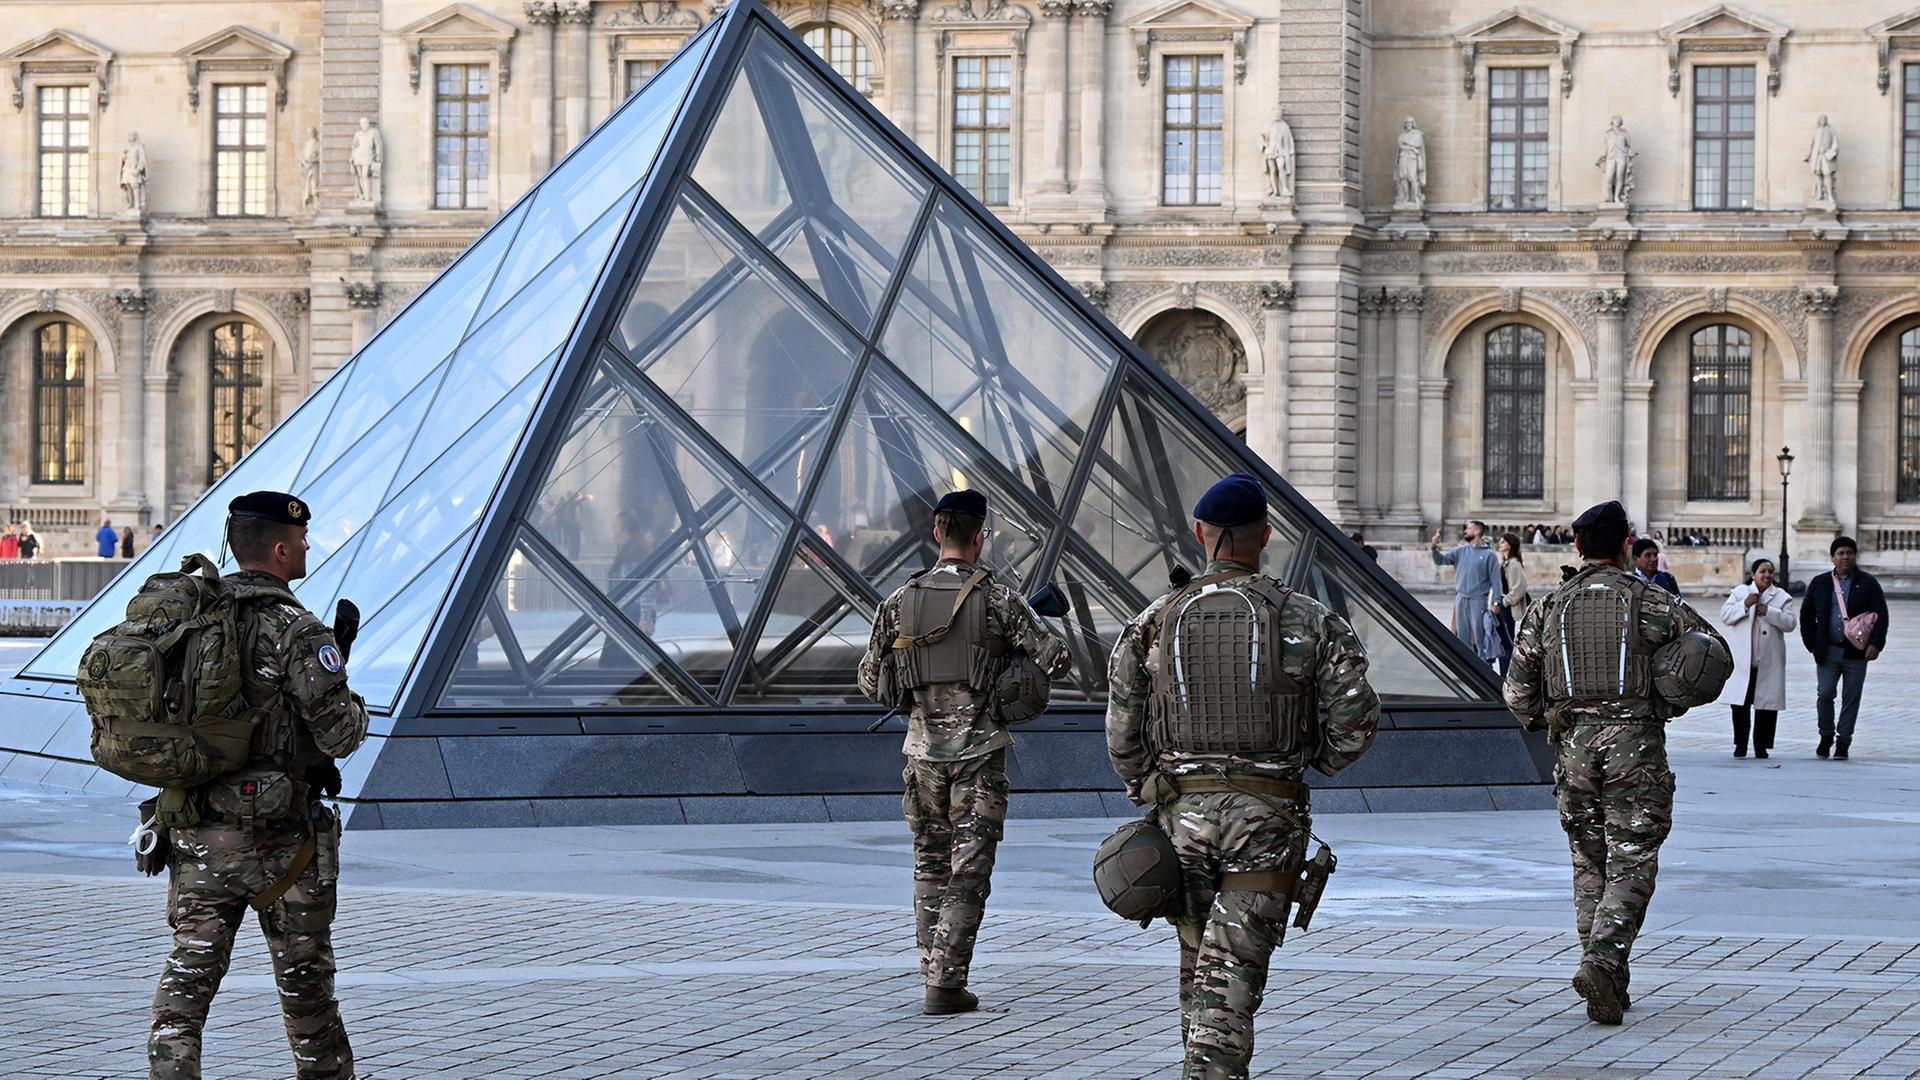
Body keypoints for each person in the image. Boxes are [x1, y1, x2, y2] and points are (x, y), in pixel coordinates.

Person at [1107, 474, 1380, 1079]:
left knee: (1200, 964)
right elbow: (1356, 723)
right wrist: (1311, 763)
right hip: (1267, 818)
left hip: (1182, 820)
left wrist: (1151, 792)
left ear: (1202, 535)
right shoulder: (1310, 619)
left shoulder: (1152, 623)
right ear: (1266, 535)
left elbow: (1123, 734)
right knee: (1230, 971)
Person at [147, 491, 369, 1079]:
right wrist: (354, 702)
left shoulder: (189, 621)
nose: (307, 545)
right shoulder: (298, 630)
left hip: (196, 831)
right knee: (307, 993)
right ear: (278, 548)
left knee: (186, 989)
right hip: (283, 845)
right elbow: (340, 735)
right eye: (300, 539)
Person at [1504, 500, 1723, 1025]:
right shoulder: (1652, 601)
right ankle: (1602, 963)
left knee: (1589, 863)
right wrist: (1666, 695)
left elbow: (1515, 693)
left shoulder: (1548, 607)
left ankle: (1605, 976)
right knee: (1632, 859)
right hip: (1636, 746)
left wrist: (1552, 717)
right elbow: (1711, 654)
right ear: (1627, 544)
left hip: (1574, 747)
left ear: (1577, 547)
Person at [857, 489, 1070, 1017]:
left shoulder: (898, 602)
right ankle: (946, 982)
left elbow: (868, 680)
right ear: (980, 537)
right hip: (978, 754)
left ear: (936, 533)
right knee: (968, 869)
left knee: (929, 862)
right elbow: (1058, 659)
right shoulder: (998, 599)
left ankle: (933, 967)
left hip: (921, 756)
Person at [1798, 536, 1889, 760]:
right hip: (1827, 650)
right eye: (1840, 553)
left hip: (1856, 652)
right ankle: (1826, 734)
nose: (1845, 557)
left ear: (1855, 556)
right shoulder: (1819, 583)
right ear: (1832, 557)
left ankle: (1843, 741)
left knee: (1851, 697)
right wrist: (1812, 644)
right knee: (1825, 693)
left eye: (1849, 552)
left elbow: (1881, 615)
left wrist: (1876, 644)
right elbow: (1806, 615)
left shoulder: (1868, 583)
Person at [1718, 559, 1796, 759]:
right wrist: (1744, 605)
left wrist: (1769, 612)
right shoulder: (1740, 593)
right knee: (1740, 706)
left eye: (1770, 572)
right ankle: (1740, 744)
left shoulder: (1781, 597)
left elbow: (1790, 623)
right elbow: (1725, 616)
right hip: (1744, 662)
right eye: (1762, 571)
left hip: (1768, 661)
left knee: (1766, 707)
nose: (1767, 575)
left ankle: (1762, 746)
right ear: (1753, 574)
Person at [1431, 520, 1502, 654]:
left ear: (1477, 532)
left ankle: (1483, 666)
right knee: (1462, 636)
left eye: (1468, 529)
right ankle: (1464, 668)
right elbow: (1441, 560)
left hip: (1478, 600)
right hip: (1461, 599)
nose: (1465, 531)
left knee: (1480, 637)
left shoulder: (1489, 555)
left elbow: (1496, 581)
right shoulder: (1460, 551)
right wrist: (1434, 547)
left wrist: (1496, 602)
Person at [1493, 532, 1530, 677]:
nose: (1500, 544)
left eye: (1503, 542)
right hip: (1503, 607)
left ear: (1510, 544)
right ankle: (1504, 674)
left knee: (1507, 644)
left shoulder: (1514, 564)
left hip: (1507, 609)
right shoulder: (1505, 562)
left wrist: (1505, 601)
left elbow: (1519, 588)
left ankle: (1506, 676)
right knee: (1503, 642)